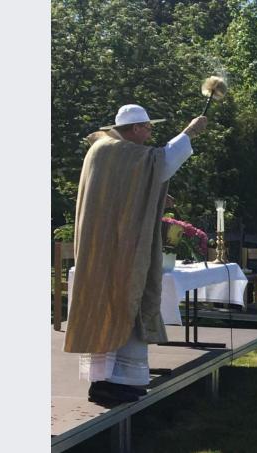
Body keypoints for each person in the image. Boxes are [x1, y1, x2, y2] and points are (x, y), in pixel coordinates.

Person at [64, 104, 208, 405]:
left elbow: (126, 193)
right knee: (121, 302)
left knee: (120, 306)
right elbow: (161, 162)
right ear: (135, 128)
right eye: (148, 128)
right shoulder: (116, 149)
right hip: (115, 249)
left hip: (110, 245)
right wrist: (189, 132)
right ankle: (107, 383)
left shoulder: (106, 149)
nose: (150, 133)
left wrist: (155, 194)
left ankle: (118, 381)